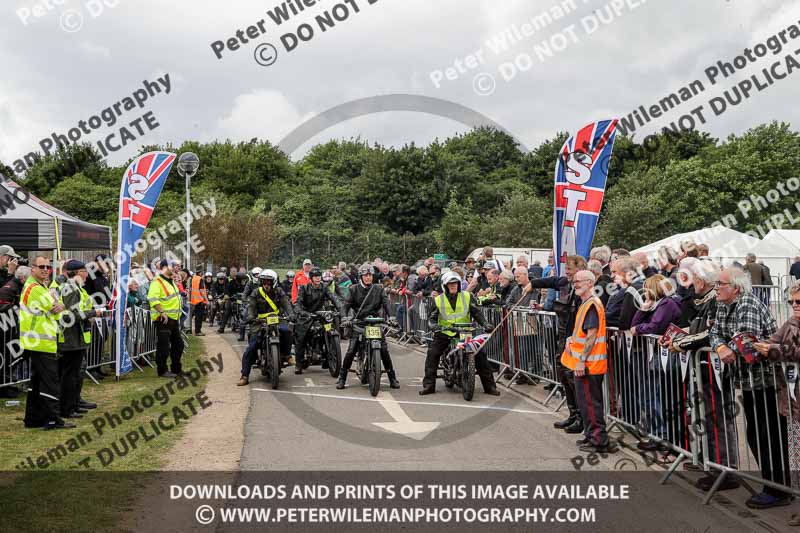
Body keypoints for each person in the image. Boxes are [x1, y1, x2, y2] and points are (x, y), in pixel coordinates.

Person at [710, 267, 789, 509]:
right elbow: (715, 332)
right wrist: (720, 348)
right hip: (747, 381)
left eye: (720, 284)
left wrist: (727, 348)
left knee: (769, 435)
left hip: (765, 381)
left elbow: (746, 340)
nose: (716, 288)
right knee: (756, 433)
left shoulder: (748, 304)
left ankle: (779, 489)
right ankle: (773, 485)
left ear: (736, 287)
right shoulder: (724, 305)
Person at [528, 255, 587, 433]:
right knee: (563, 376)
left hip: (575, 340)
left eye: (570, 269)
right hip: (562, 338)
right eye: (566, 269)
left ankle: (582, 419)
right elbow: (552, 281)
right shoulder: (564, 283)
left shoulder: (583, 290)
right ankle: (573, 414)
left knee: (574, 379)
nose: (567, 272)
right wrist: (534, 283)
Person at [420, 271, 498, 396]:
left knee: (480, 355)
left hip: (465, 332)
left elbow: (476, 313)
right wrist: (435, 327)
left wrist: (485, 324)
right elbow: (432, 319)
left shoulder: (467, 296)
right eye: (450, 284)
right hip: (445, 332)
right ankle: (429, 385)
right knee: (432, 354)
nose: (453, 286)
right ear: (445, 286)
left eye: (455, 283)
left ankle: (489, 387)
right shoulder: (438, 300)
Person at [568, 270, 617, 453]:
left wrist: (581, 361)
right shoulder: (587, 303)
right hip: (587, 363)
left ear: (590, 282)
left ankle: (599, 441)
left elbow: (592, 334)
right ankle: (591, 437)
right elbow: (582, 334)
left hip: (589, 365)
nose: (575, 284)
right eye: (574, 281)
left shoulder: (591, 304)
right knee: (586, 403)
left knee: (591, 403)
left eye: (578, 281)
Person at [21, 256, 69, 429]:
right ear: (32, 268)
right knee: (50, 382)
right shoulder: (35, 288)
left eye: (48, 267)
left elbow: (60, 304)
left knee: (37, 382)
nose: (45, 269)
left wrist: (60, 306)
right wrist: (59, 306)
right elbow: (56, 310)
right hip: (40, 341)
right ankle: (52, 419)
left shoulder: (43, 286)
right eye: (41, 266)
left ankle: (33, 418)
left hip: (40, 341)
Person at [337, 264, 400, 389]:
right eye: (366, 275)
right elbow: (345, 306)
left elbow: (386, 303)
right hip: (359, 323)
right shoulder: (353, 289)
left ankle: (392, 378)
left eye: (370, 275)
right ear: (361, 276)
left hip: (375, 323)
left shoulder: (379, 288)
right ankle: (342, 378)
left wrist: (391, 317)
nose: (368, 278)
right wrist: (345, 318)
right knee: (351, 350)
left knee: (384, 350)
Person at [56, 260, 104, 420]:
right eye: (83, 271)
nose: (86, 274)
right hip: (70, 339)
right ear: (76, 272)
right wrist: (92, 313)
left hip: (77, 338)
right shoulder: (70, 288)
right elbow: (71, 315)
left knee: (74, 374)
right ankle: (67, 409)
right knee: (69, 375)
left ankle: (73, 404)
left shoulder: (75, 288)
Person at [237, 270, 294, 386]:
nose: (266, 285)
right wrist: (251, 317)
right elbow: (251, 306)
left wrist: (291, 314)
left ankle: (287, 355)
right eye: (264, 282)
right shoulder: (256, 292)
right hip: (260, 322)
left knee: (287, 331)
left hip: (277, 320)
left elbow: (286, 303)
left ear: (273, 282)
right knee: (252, 347)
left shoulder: (279, 291)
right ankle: (244, 375)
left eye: (269, 282)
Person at [293, 267, 342, 374]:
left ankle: (326, 357)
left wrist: (341, 309)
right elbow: (298, 303)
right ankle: (298, 363)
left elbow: (334, 298)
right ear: (311, 278)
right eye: (315, 276)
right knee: (301, 336)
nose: (318, 278)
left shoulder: (324, 287)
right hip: (307, 316)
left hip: (321, 315)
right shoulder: (304, 288)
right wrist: (302, 312)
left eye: (319, 276)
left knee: (329, 329)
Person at [147, 259, 184, 378]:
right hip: (163, 319)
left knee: (178, 345)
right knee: (163, 346)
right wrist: (161, 312)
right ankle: (162, 370)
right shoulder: (157, 281)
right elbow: (152, 298)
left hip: (173, 319)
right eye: (171, 266)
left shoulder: (170, 281)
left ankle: (176, 369)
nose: (174, 268)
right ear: (163, 267)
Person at [189, 267, 209, 336]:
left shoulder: (193, 278)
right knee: (199, 317)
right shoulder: (200, 279)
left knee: (197, 317)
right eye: (202, 272)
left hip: (195, 300)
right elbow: (201, 290)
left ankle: (197, 331)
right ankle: (198, 331)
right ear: (200, 273)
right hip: (200, 300)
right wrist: (206, 300)